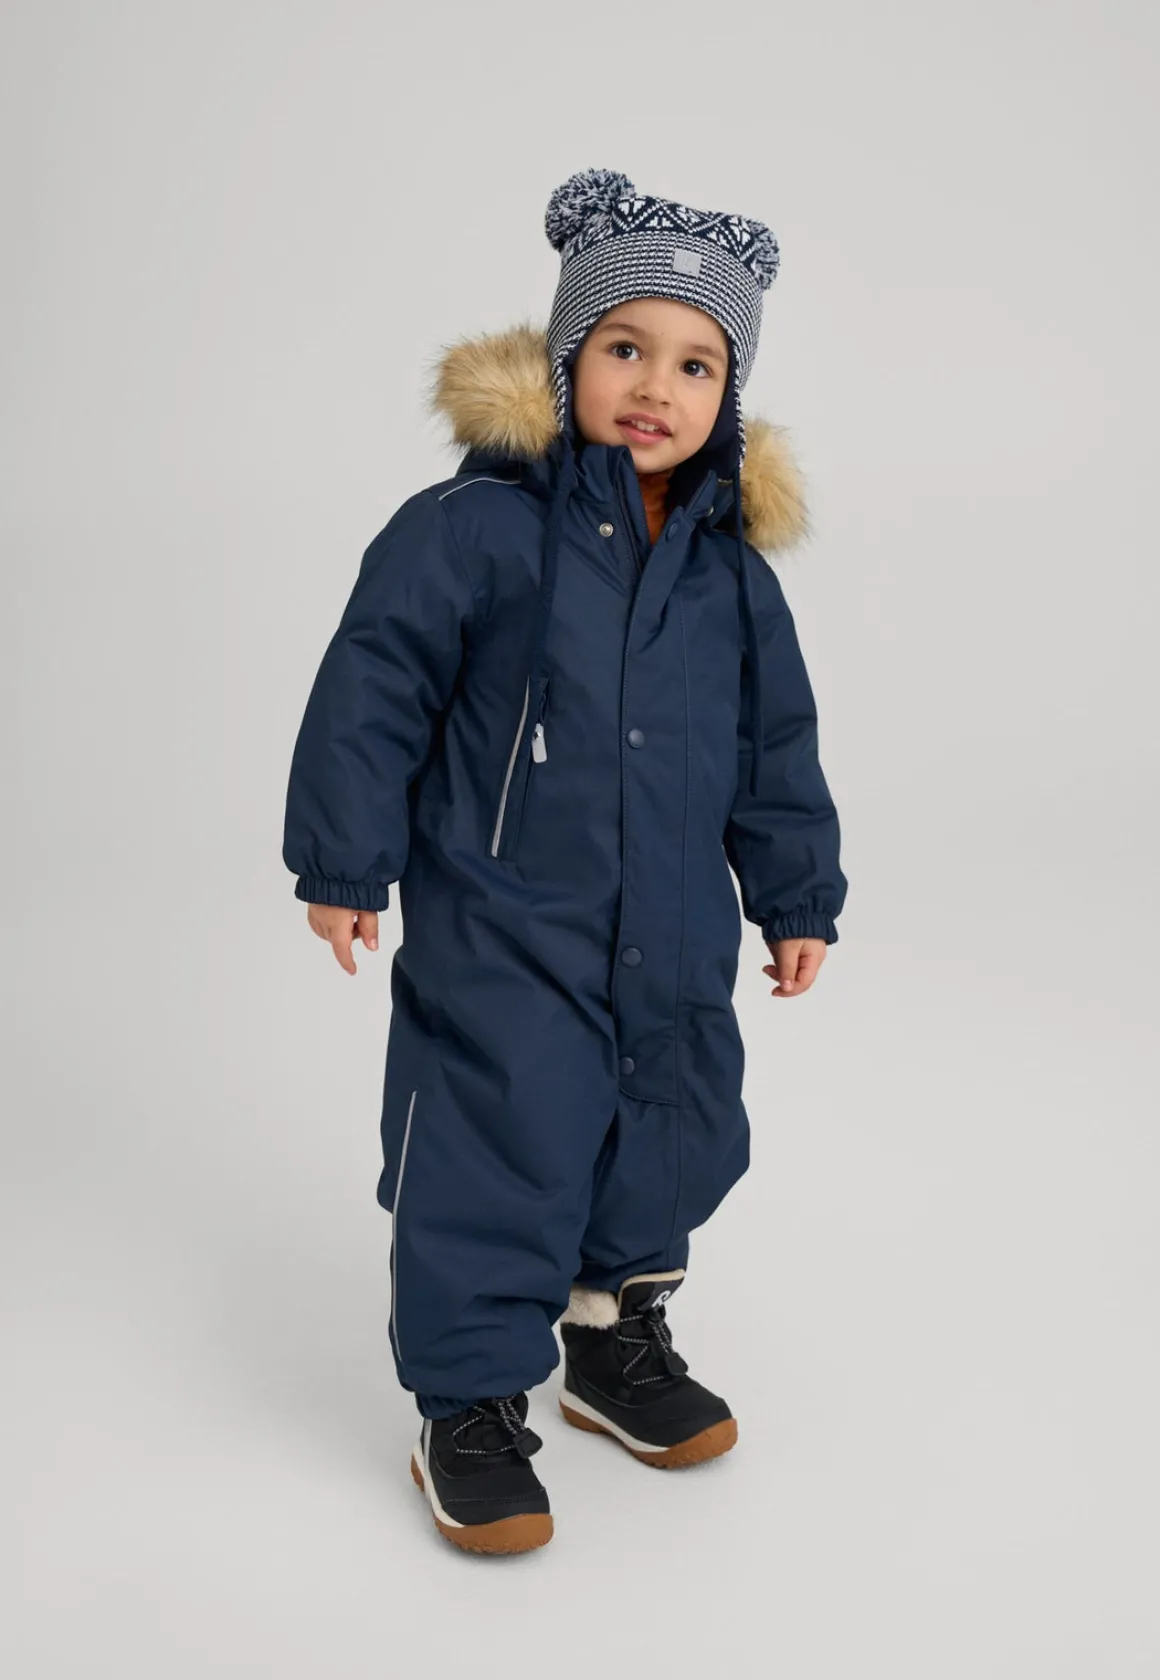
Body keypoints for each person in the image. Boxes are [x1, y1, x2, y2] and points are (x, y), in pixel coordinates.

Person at [282, 167, 848, 1554]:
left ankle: (611, 1337)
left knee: (671, 1131)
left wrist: (794, 895)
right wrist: (344, 862)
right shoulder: (473, 532)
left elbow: (774, 747)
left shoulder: (732, 578)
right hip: (506, 928)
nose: (657, 386)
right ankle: (469, 1403)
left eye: (696, 363)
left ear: (731, 393)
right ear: (564, 359)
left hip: (673, 935)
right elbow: (372, 687)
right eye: (624, 348)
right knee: (498, 1142)